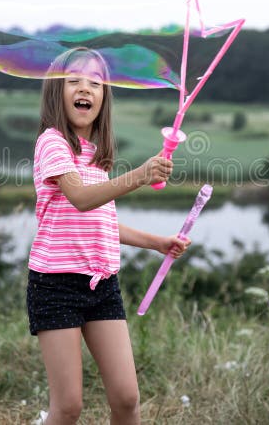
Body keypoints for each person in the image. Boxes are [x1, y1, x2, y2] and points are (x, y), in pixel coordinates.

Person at [28, 47, 190, 425]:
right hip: (56, 285)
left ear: (103, 98)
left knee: (127, 398)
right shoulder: (53, 143)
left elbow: (99, 221)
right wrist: (140, 176)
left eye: (95, 82)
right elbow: (81, 199)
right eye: (74, 81)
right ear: (57, 92)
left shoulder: (96, 155)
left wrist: (156, 242)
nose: (85, 88)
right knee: (67, 407)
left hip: (101, 286)